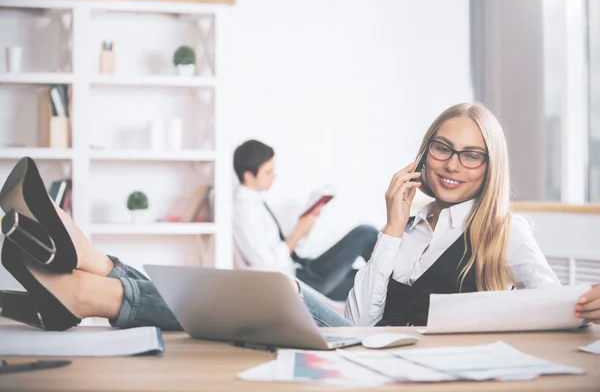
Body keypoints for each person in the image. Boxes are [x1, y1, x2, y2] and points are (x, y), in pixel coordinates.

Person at [0, 180, 351, 332]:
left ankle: (88, 284)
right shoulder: (249, 208)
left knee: (278, 291)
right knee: (280, 289)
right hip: (363, 327)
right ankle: (92, 269)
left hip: (373, 341)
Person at [344, 102, 565, 326]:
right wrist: (392, 229)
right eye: (442, 148)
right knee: (306, 299)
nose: (451, 165)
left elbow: (554, 302)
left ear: (491, 167)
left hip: (442, 358)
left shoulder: (504, 230)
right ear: (424, 156)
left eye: (471, 156)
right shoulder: (405, 228)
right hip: (378, 357)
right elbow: (356, 326)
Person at [232, 140, 378, 301]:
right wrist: (296, 235)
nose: (274, 176)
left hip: (301, 272)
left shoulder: (254, 203)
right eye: (268, 172)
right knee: (365, 234)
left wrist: (305, 226)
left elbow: (276, 249)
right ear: (248, 176)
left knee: (373, 283)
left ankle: (401, 297)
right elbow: (266, 265)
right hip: (299, 282)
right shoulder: (246, 211)